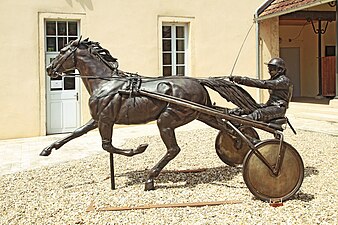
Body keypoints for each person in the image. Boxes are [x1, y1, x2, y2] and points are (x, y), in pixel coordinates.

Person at [229, 57, 293, 122]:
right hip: (269, 106)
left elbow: (263, 83)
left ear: (280, 70)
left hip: (278, 108)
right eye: (269, 69)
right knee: (248, 108)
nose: (269, 71)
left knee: (258, 113)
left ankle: (238, 122)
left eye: (272, 69)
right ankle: (230, 113)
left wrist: (242, 80)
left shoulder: (284, 81)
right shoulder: (274, 80)